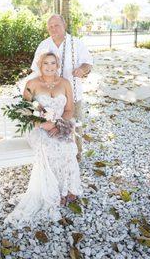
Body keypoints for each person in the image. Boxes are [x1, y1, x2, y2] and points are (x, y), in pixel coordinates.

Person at [5, 52, 82, 227]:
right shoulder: (32, 84)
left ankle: (66, 190)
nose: (49, 66)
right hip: (37, 128)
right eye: (45, 63)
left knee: (68, 147)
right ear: (40, 65)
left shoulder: (65, 83)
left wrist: (59, 124)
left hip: (59, 125)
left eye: (53, 63)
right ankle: (52, 194)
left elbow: (69, 110)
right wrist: (43, 124)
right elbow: (24, 112)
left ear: (58, 65)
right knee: (50, 147)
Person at [31, 14, 93, 161]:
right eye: (50, 26)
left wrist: (82, 70)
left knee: (73, 126)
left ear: (64, 25)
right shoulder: (43, 45)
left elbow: (88, 63)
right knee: (52, 126)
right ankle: (55, 157)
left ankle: (75, 157)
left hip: (73, 94)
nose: (53, 28)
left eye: (56, 25)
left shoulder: (76, 43)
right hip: (50, 97)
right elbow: (35, 69)